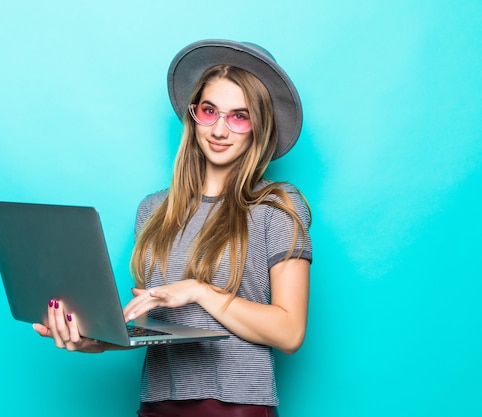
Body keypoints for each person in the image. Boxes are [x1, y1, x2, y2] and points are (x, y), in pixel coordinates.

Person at [33, 39, 312, 417]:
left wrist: (199, 291)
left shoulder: (276, 205)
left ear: (258, 127)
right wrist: (92, 339)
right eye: (209, 111)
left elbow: (290, 331)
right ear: (193, 115)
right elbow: (159, 329)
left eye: (239, 116)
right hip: (156, 405)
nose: (219, 129)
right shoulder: (153, 210)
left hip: (236, 407)